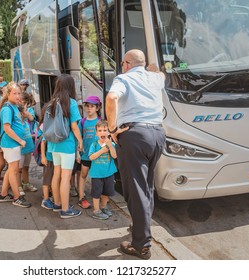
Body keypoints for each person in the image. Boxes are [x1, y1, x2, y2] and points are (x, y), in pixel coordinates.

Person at [106, 49, 165, 259]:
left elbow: (112, 98)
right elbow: (161, 74)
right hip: (157, 134)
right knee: (147, 187)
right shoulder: (156, 79)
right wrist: (153, 69)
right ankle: (141, 229)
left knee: (136, 189)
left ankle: (141, 245)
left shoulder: (123, 78)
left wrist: (112, 130)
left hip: (134, 136)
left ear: (126, 64)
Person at [47, 74, 83, 218]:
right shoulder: (71, 103)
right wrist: (80, 141)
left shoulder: (52, 102)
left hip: (54, 144)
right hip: (67, 145)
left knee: (57, 174)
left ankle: (57, 204)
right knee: (66, 177)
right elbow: (74, 126)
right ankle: (66, 210)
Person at [0, 82, 31, 208]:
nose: (18, 96)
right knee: (14, 170)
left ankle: (4, 194)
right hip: (11, 144)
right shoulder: (7, 108)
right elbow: (7, 128)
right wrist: (20, 141)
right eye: (14, 93)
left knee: (11, 169)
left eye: (19, 93)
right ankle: (17, 197)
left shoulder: (14, 106)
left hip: (13, 144)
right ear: (8, 94)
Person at [88, 120, 117, 220]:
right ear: (96, 133)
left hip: (108, 173)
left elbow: (114, 156)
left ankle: (104, 207)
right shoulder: (94, 145)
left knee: (106, 192)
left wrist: (109, 146)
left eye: (105, 130)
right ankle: (96, 210)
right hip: (97, 174)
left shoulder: (111, 145)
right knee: (96, 193)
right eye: (99, 131)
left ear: (108, 132)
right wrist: (102, 151)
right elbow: (91, 157)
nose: (102, 132)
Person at [77, 95, 102, 209]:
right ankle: (81, 197)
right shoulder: (82, 122)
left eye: (92, 106)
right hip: (86, 155)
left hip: (98, 155)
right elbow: (78, 138)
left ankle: (97, 196)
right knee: (83, 175)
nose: (89, 109)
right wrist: (78, 153)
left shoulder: (100, 121)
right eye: (87, 106)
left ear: (97, 108)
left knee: (97, 177)